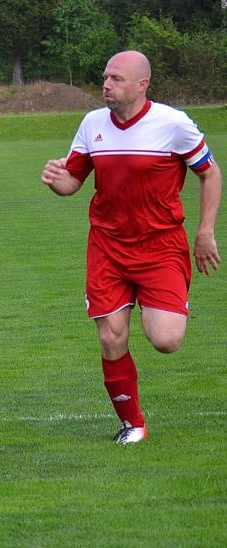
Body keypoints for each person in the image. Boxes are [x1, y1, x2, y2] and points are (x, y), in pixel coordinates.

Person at [41, 51, 221, 444]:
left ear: (142, 85)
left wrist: (205, 232)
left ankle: (153, 308)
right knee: (111, 337)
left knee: (166, 340)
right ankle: (132, 424)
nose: (106, 85)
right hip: (107, 247)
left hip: (160, 248)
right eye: (105, 77)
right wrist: (55, 179)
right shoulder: (92, 124)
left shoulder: (173, 124)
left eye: (116, 79)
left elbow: (210, 173)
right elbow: (72, 182)